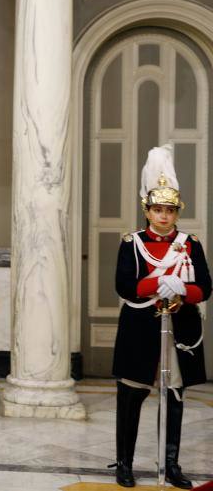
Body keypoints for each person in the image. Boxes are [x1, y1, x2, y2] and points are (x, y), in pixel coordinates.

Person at [111, 144, 209, 489]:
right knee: (131, 398)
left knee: (175, 399)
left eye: (169, 210)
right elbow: (124, 286)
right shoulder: (131, 243)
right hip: (140, 328)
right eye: (157, 210)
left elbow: (205, 288)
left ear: (176, 212)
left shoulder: (190, 244)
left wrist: (181, 290)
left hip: (178, 329)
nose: (164, 216)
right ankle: (124, 463)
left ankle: (171, 464)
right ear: (147, 211)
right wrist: (157, 282)